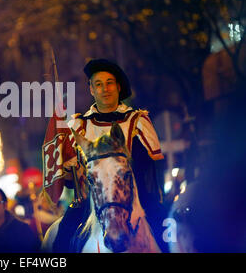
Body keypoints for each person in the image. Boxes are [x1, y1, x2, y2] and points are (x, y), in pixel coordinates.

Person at [44, 58, 167, 252]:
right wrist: (69, 169)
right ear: (92, 90)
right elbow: (69, 180)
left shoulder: (138, 121)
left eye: (109, 83)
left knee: (167, 233)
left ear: (118, 87)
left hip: (138, 199)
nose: (105, 89)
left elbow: (153, 168)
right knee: (62, 236)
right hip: (89, 205)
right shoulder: (78, 126)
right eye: (98, 84)